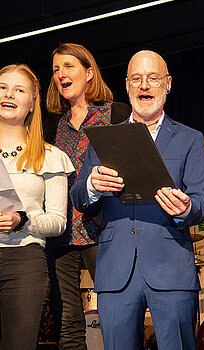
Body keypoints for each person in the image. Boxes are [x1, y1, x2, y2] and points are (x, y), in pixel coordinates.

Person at [70, 50, 204, 350]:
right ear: (127, 85)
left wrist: (185, 208)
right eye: (137, 79)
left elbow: (202, 203)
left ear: (168, 84)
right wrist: (92, 186)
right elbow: (79, 197)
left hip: (171, 268)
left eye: (153, 78)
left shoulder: (190, 139)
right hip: (115, 273)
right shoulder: (104, 139)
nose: (144, 85)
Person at [44, 42, 130, 349]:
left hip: (105, 230)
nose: (60, 74)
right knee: (68, 321)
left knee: (114, 315)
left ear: (89, 73)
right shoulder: (51, 124)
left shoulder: (117, 114)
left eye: (68, 66)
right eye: (55, 69)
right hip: (62, 236)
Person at [0, 64, 74, 350]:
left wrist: (24, 220)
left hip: (24, 264)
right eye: (3, 88)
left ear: (32, 103)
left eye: (19, 90)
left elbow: (58, 221)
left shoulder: (50, 156)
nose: (9, 94)